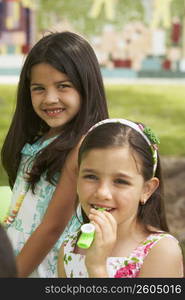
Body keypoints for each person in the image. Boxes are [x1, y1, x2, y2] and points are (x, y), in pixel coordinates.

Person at [1, 31, 109, 278]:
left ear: (86, 86)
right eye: (39, 88)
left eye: (63, 86)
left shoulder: (82, 147)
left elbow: (51, 228)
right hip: (18, 256)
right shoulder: (40, 139)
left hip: (43, 269)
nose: (50, 99)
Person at [58, 118, 184, 278]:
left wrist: (97, 268)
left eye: (120, 181)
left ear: (146, 189)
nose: (102, 192)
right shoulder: (69, 246)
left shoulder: (161, 251)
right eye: (91, 176)